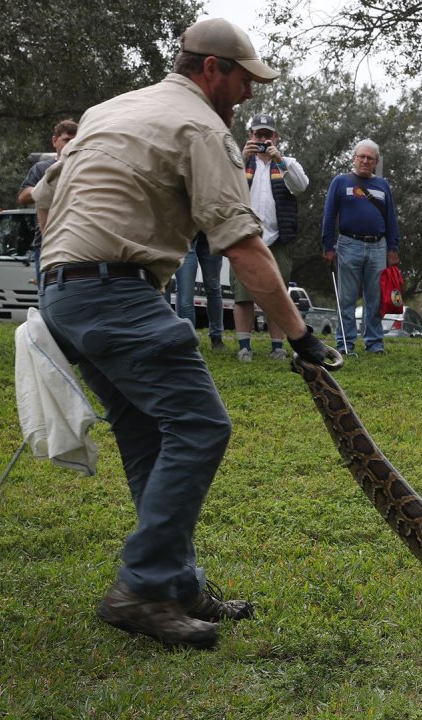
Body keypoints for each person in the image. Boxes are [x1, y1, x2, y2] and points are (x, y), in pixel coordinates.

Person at [37, 17, 334, 650]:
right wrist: (300, 336)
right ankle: (142, 585)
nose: (249, 95)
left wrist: (64, 266)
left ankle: (174, 584)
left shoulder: (109, 109)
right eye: (244, 80)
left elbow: (45, 193)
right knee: (201, 425)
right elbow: (243, 245)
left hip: (65, 292)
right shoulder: (200, 125)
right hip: (115, 291)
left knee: (149, 433)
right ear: (210, 70)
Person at [233, 113, 309, 361]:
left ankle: (277, 347)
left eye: (267, 134)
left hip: (279, 239)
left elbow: (300, 186)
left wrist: (281, 161)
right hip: (245, 237)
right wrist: (241, 159)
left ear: (276, 137)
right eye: (258, 134)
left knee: (278, 295)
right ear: (251, 136)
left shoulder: (288, 162)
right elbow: (224, 186)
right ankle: (244, 347)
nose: (263, 139)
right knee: (243, 295)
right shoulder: (238, 161)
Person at [322, 138, 400, 355]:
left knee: (374, 299)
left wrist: (393, 247)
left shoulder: (383, 185)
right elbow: (329, 215)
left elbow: (391, 218)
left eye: (370, 158)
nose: (365, 161)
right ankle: (345, 344)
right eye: (361, 157)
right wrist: (328, 246)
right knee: (346, 299)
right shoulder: (340, 182)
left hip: (378, 247)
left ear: (376, 161)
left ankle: (374, 344)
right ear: (354, 158)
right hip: (348, 245)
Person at [18, 119, 78, 287]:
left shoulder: (85, 166)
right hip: (46, 243)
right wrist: (47, 185)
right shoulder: (41, 168)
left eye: (76, 140)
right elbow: (23, 197)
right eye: (66, 140)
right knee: (47, 292)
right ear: (54, 141)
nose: (71, 144)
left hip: (78, 241)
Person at [174, 232, 226, 349]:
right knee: (185, 293)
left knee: (213, 289)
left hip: (210, 237)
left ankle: (216, 337)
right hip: (186, 238)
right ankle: (187, 341)